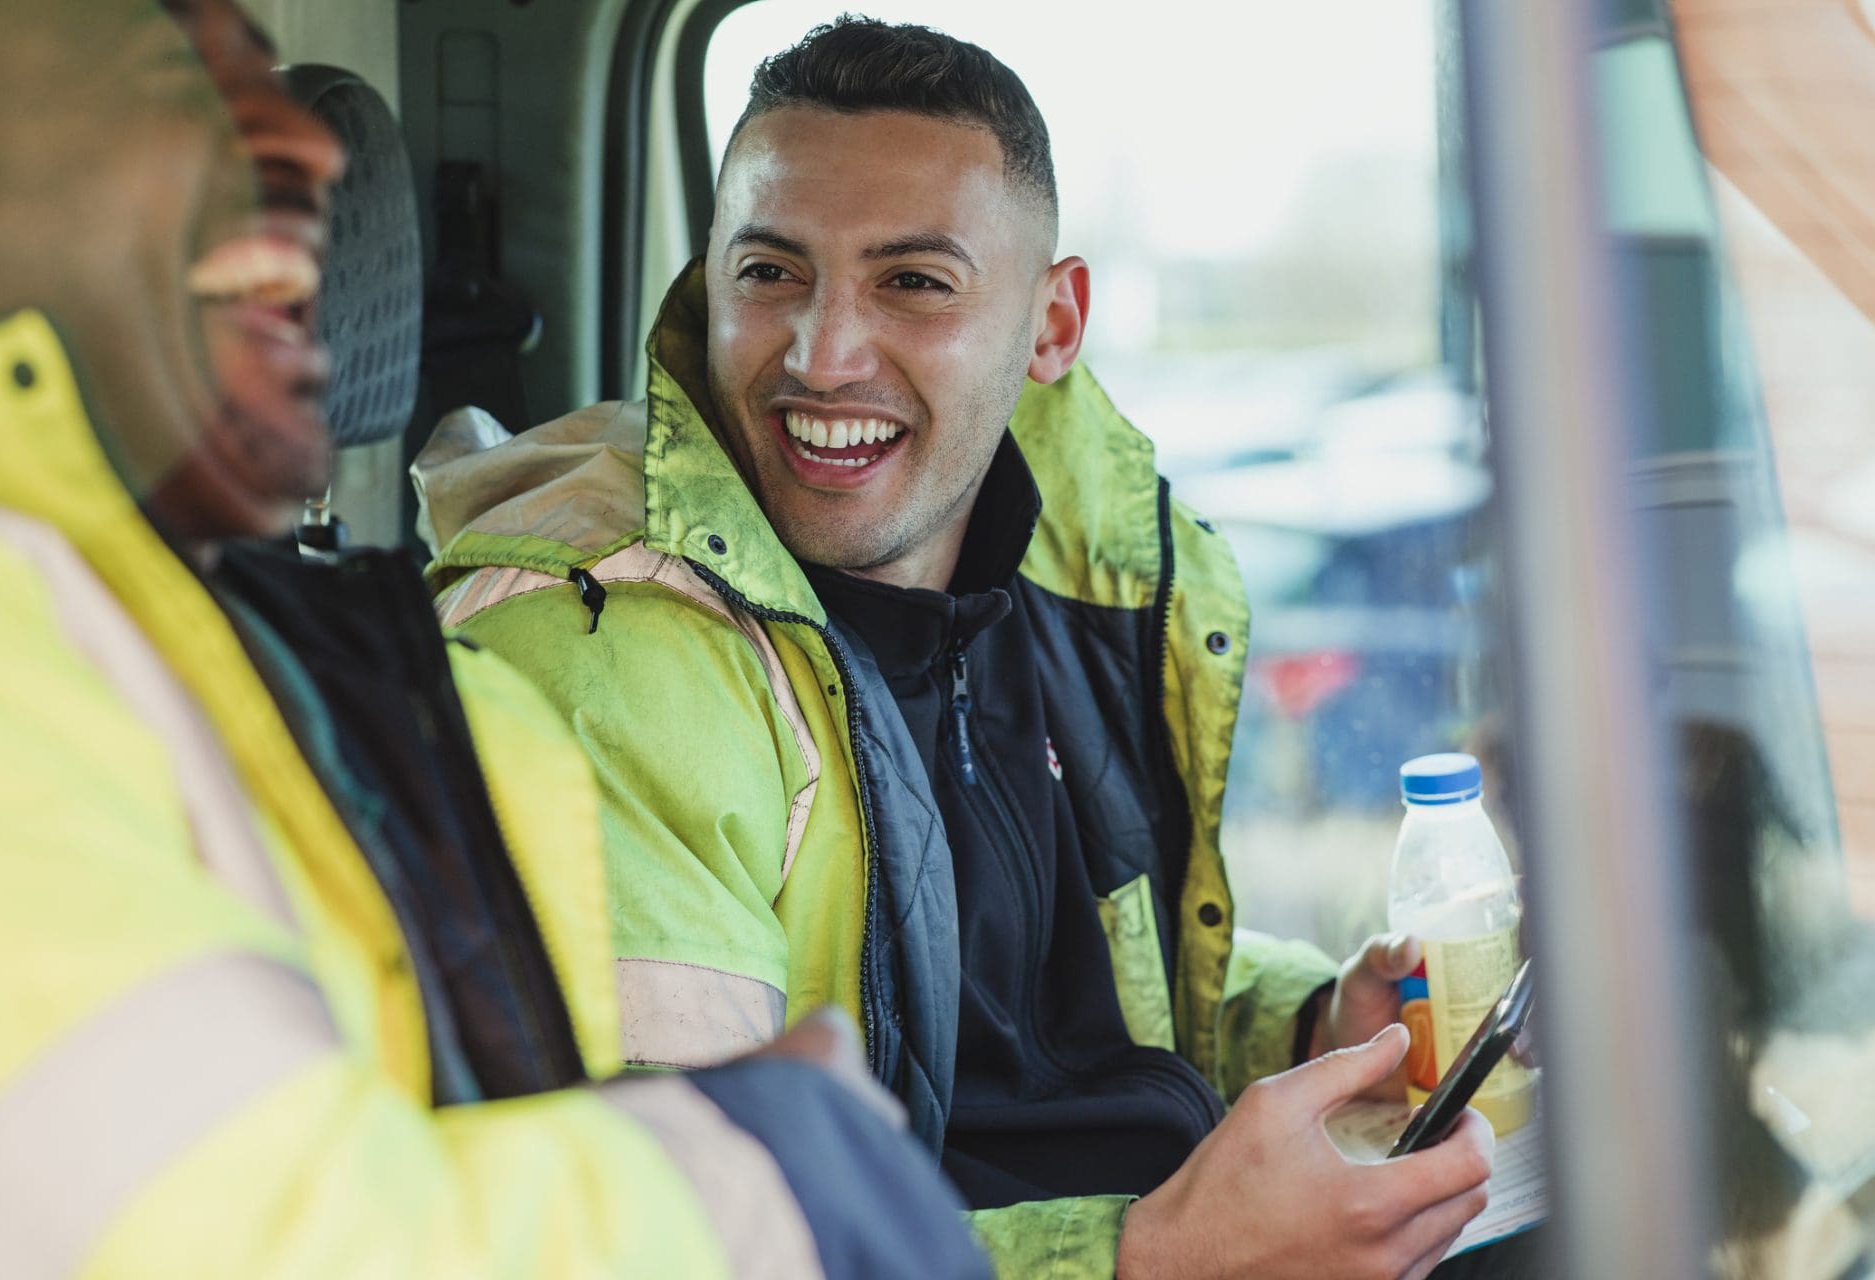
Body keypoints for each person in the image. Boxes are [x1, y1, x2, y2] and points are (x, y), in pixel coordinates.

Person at [416, 15, 1493, 1278]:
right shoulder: (603, 658)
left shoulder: (1054, 585)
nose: (822, 354)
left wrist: (1302, 1023)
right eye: (769, 272)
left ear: (1052, 324)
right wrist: (1151, 1257)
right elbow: (665, 1244)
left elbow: (1046, 1011)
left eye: (913, 282)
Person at [0, 1, 989, 1275]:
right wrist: (785, 1159)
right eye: (171, 71)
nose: (306, 143)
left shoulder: (304, 661)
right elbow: (251, 1239)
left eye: (916, 282)